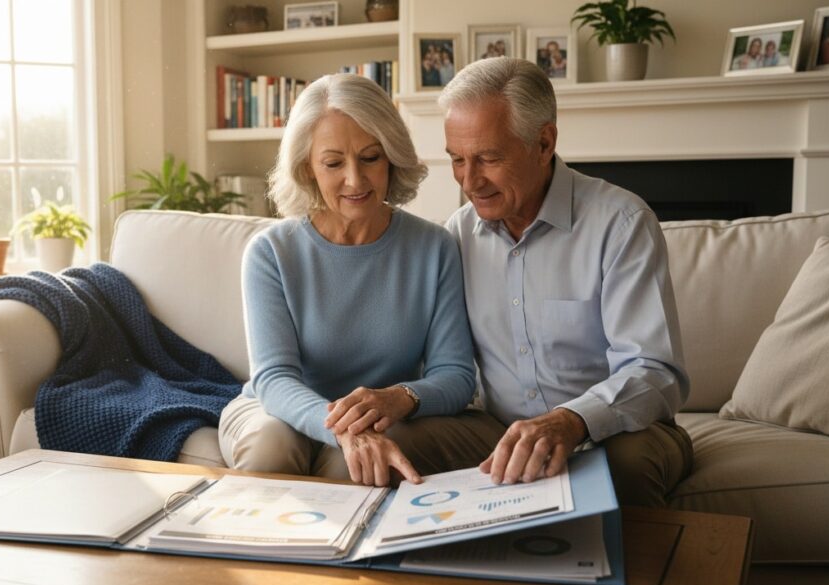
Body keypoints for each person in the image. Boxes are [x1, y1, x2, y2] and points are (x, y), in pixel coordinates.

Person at [219, 73, 506, 487]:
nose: (355, 180)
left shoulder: (434, 248)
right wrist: (343, 430)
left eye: (370, 157)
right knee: (271, 449)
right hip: (278, 410)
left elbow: (456, 375)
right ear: (307, 168)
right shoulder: (270, 253)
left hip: (383, 418)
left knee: (358, 469)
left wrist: (401, 397)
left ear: (391, 157)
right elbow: (274, 378)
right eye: (333, 163)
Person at [437, 57, 693, 507]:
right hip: (499, 433)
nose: (470, 181)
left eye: (488, 158)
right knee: (396, 444)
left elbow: (655, 370)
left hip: (618, 431)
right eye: (457, 160)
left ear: (544, 142)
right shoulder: (457, 235)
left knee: (625, 468)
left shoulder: (621, 222)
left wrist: (570, 421)